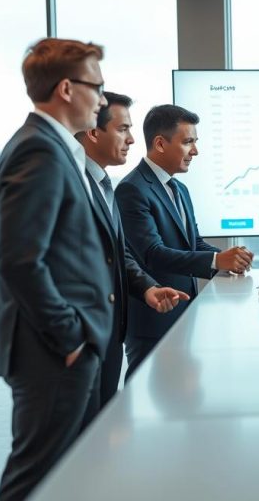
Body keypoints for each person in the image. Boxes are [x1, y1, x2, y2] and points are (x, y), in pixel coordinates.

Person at [0, 38, 183, 501]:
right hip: (54, 348)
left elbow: (95, 254)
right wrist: (71, 337)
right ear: (68, 89)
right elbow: (19, 260)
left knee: (66, 471)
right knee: (36, 475)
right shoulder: (40, 152)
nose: (101, 98)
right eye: (97, 86)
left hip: (73, 343)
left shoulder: (55, 152)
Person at [115, 104, 253, 377]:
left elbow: (194, 243)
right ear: (160, 144)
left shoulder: (180, 188)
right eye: (188, 142)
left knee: (178, 397)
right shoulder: (132, 189)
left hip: (184, 313)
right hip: (153, 319)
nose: (195, 151)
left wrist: (229, 258)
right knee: (142, 400)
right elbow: (152, 253)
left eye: (195, 142)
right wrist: (216, 260)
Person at [75, 91, 189, 415]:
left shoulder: (103, 183)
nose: (131, 140)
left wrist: (147, 287)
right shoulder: (73, 182)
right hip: (83, 340)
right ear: (94, 132)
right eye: (123, 129)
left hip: (110, 334)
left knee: (100, 437)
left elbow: (118, 254)